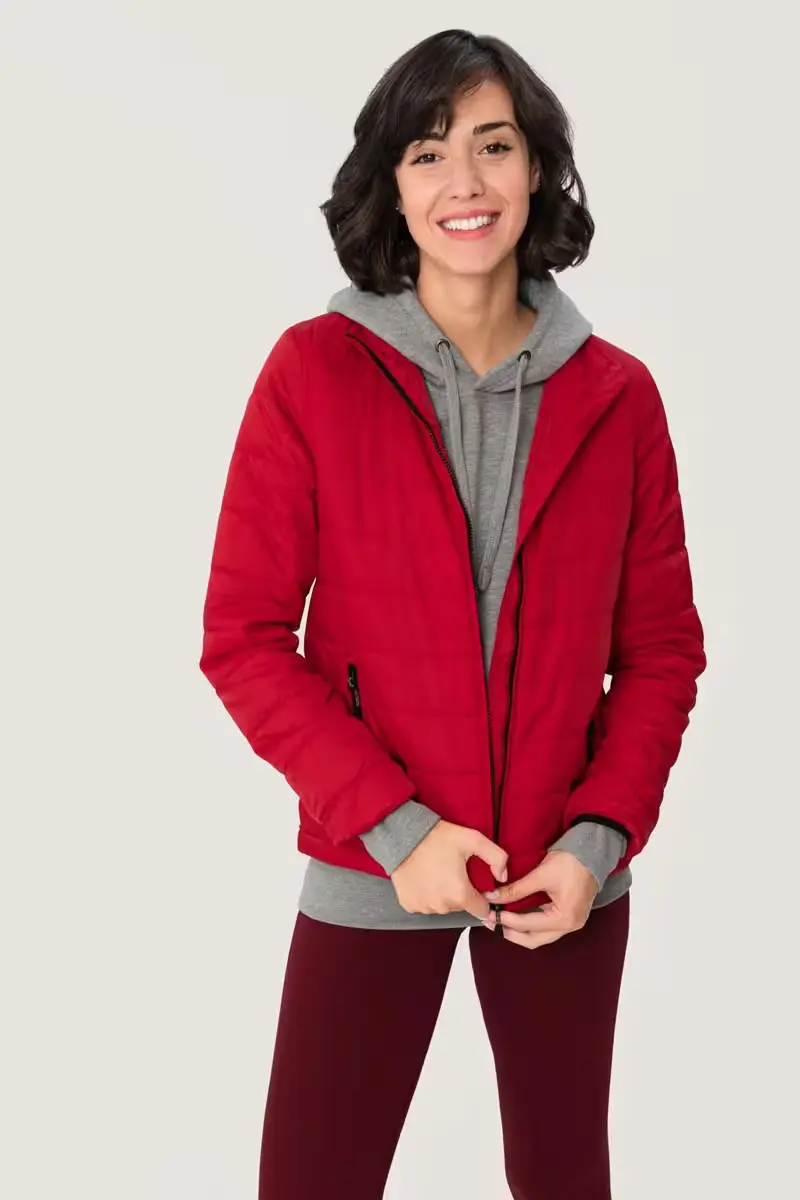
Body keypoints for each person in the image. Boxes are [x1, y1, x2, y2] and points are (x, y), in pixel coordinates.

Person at [198, 28, 706, 1200]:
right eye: (427, 153)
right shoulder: (313, 374)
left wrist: (594, 844)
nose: (463, 182)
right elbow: (243, 639)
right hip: (375, 859)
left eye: (493, 146)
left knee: (562, 1179)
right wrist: (396, 832)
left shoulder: (617, 397)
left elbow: (660, 652)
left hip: (558, 881)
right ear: (389, 185)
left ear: (537, 170)